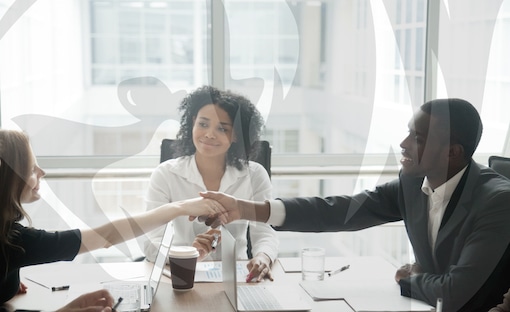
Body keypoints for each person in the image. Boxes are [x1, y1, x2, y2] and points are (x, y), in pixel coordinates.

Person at [200, 98, 510, 311]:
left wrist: (411, 279)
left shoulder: (497, 202)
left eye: (418, 137)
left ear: (452, 153)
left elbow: (456, 294)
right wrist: (245, 209)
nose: (402, 144)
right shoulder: (413, 183)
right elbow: (340, 210)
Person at [0, 129, 225, 303]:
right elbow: (106, 236)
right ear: (8, 181)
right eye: (31, 169)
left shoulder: (9, 235)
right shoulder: (14, 241)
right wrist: (180, 207)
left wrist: (8, 281)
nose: (42, 173)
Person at [143, 85, 278, 282]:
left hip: (239, 277)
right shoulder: (166, 174)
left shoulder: (255, 175)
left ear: (236, 136)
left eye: (222, 128)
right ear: (192, 123)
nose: (209, 134)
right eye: (203, 124)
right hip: (181, 276)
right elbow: (150, 241)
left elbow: (265, 232)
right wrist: (186, 253)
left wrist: (263, 256)